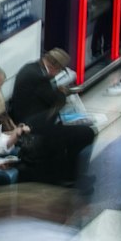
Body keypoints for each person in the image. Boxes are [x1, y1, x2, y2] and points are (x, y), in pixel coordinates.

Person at [7, 49, 96, 189]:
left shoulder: (30, 68)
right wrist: (62, 92)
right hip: (36, 129)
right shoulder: (39, 78)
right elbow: (56, 100)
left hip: (33, 123)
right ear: (55, 67)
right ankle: (72, 176)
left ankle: (71, 175)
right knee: (86, 133)